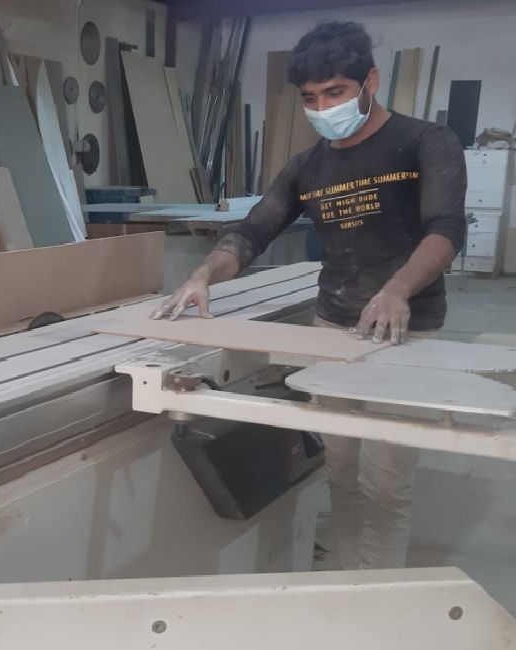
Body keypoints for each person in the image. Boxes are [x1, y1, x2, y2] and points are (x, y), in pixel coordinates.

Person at [151, 21, 467, 571]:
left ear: (370, 82)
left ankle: (378, 594)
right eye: (311, 98)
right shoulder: (308, 167)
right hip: (333, 330)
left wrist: (396, 290)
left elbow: (446, 227)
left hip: (406, 331)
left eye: (335, 92)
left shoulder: (425, 143)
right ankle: (347, 581)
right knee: (340, 472)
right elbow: (253, 231)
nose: (323, 107)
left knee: (387, 483)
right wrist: (203, 274)